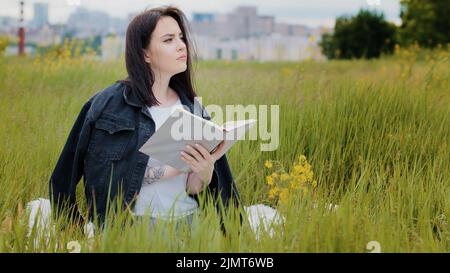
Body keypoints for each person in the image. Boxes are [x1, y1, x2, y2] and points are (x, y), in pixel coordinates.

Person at [48, 6, 243, 236]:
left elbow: (194, 189)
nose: (181, 45)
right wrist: (76, 233)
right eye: (168, 40)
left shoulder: (192, 108)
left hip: (189, 226)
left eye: (181, 37)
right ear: (145, 54)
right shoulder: (107, 106)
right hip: (132, 229)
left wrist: (205, 171)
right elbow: (63, 177)